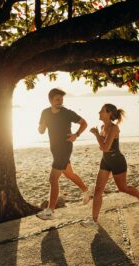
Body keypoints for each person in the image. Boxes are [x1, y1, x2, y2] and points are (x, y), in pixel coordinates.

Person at [83, 103, 139, 226]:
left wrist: (96, 134)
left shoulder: (114, 128)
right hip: (106, 161)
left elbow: (106, 147)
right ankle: (94, 220)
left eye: (102, 111)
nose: (99, 112)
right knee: (98, 190)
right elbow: (103, 145)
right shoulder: (103, 126)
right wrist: (99, 136)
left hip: (117, 161)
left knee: (122, 188)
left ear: (109, 114)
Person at [37, 88, 91, 220]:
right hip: (55, 150)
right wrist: (41, 126)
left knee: (53, 178)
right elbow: (41, 131)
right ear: (50, 100)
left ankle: (50, 211)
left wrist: (76, 135)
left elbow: (84, 123)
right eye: (57, 99)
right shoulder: (45, 112)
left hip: (64, 148)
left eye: (61, 99)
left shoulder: (67, 113)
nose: (60, 102)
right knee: (69, 174)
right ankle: (86, 191)